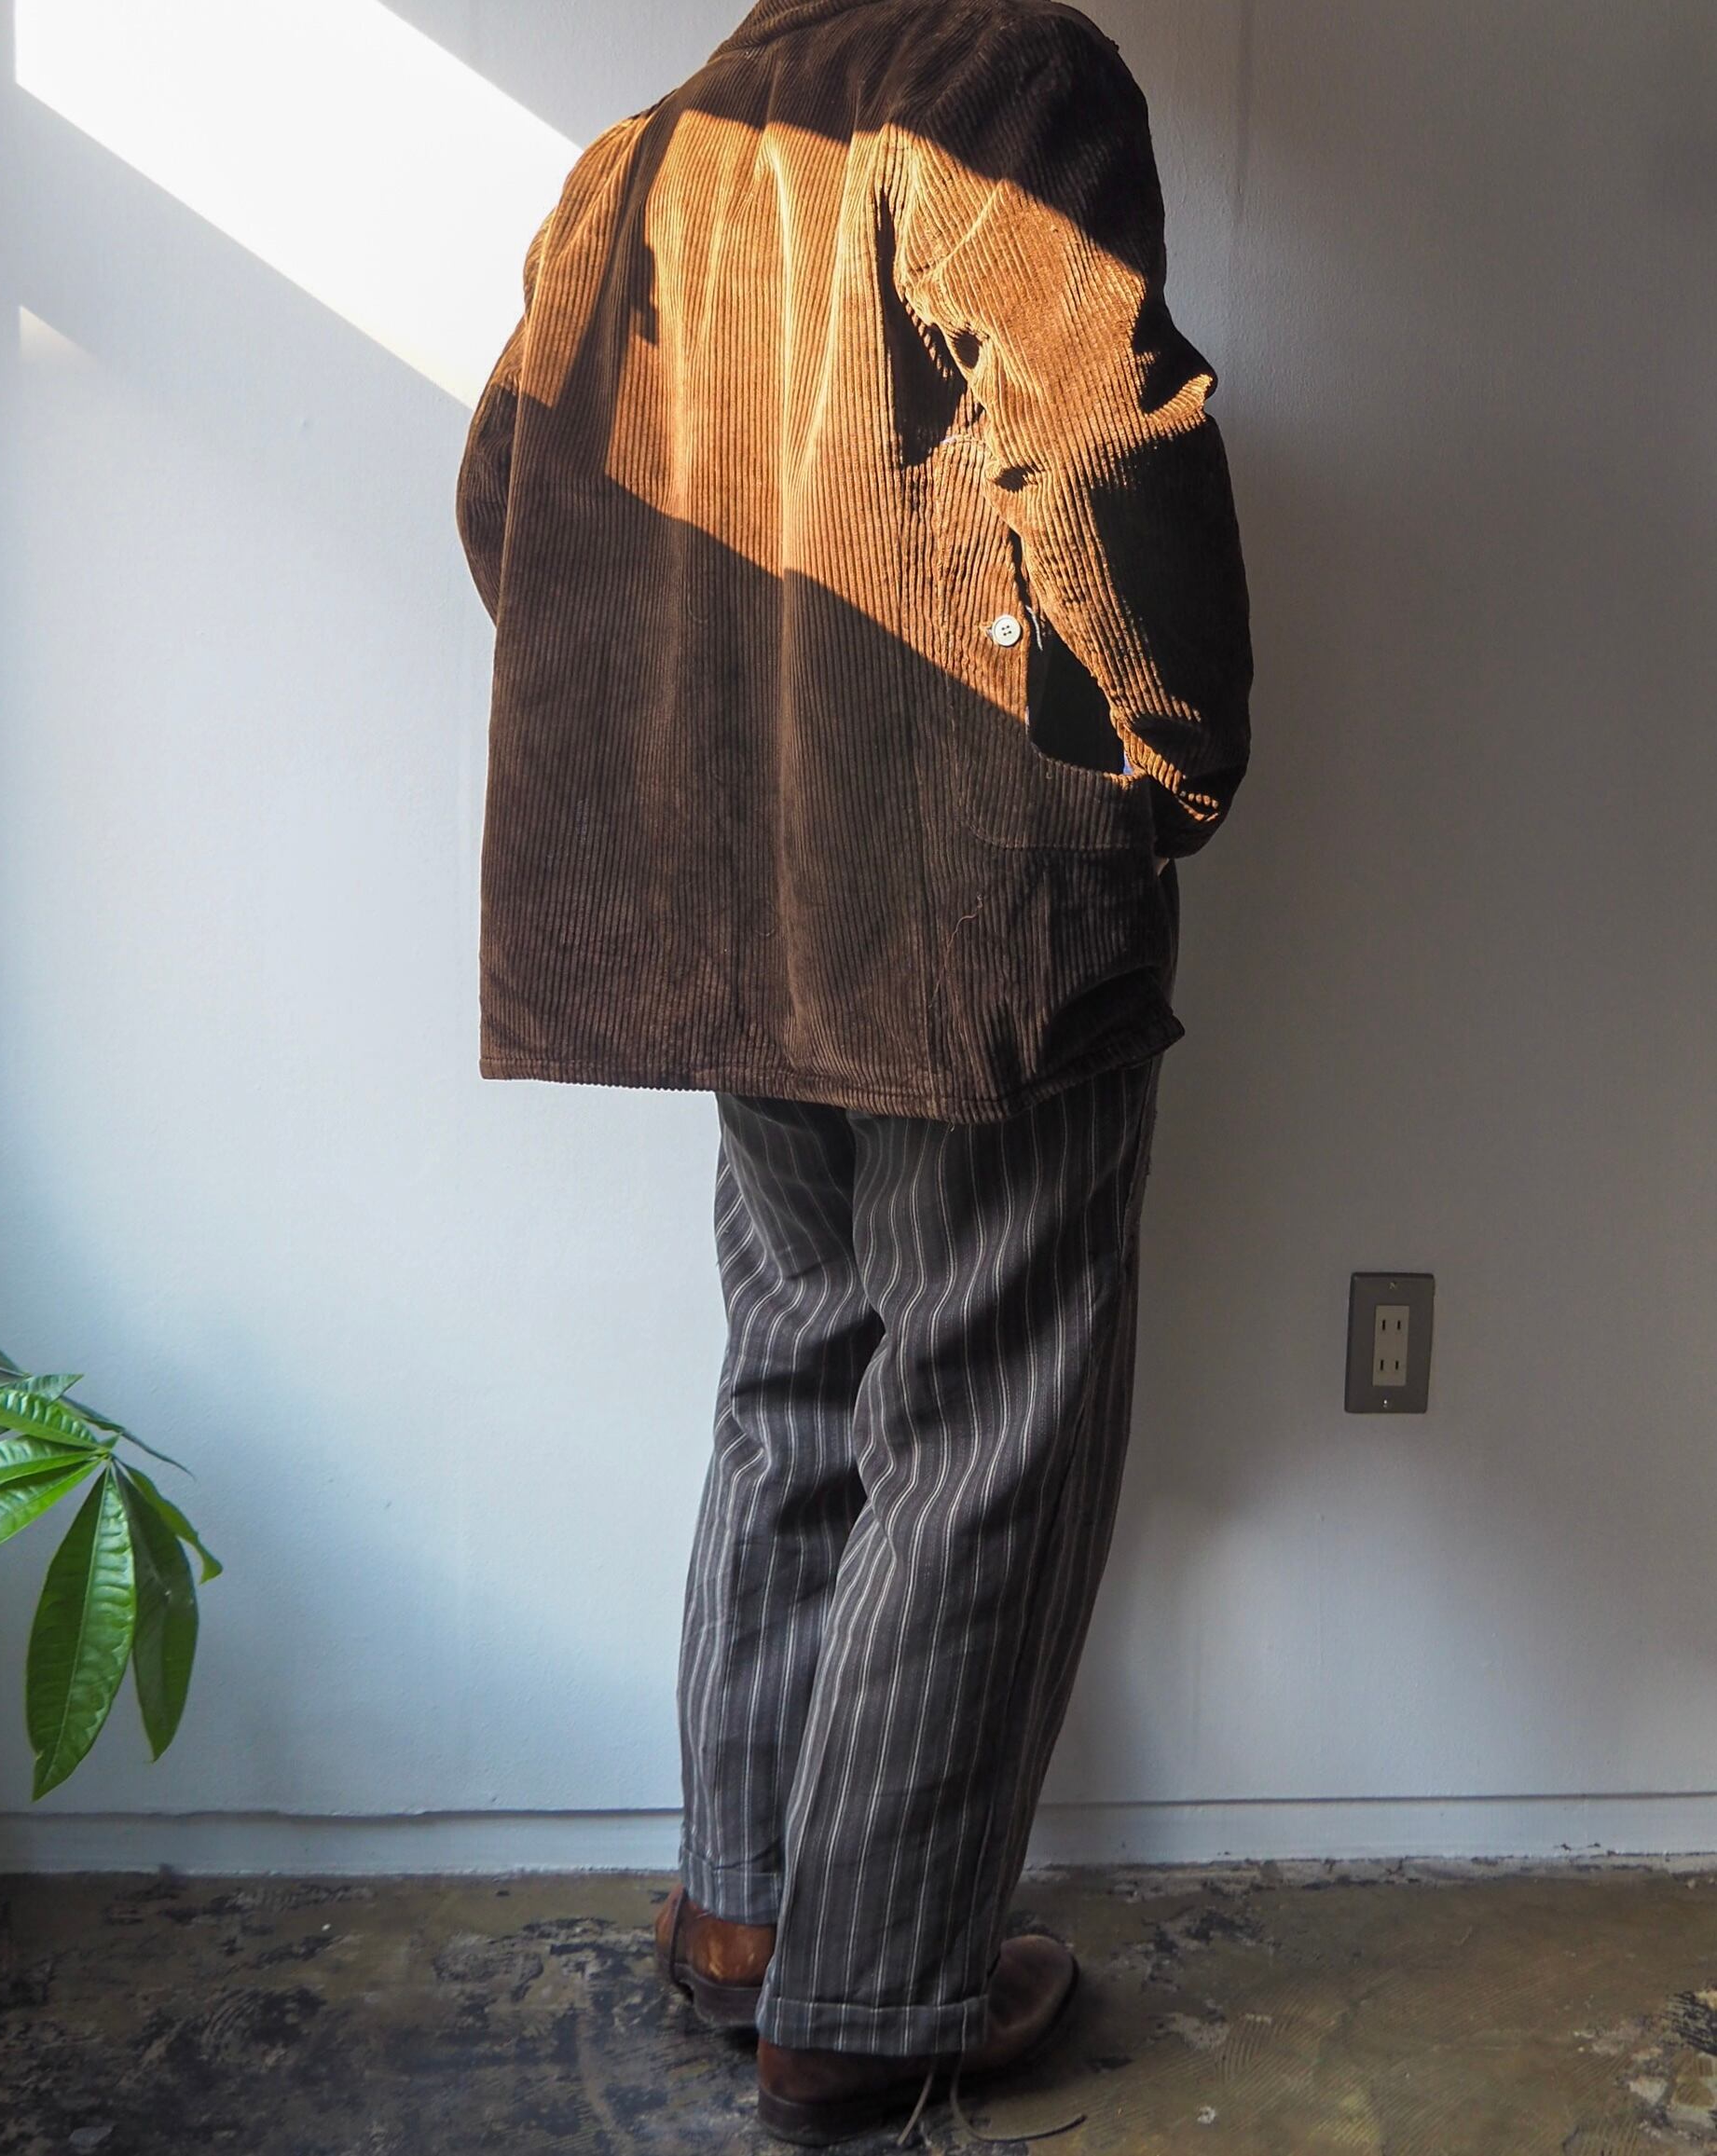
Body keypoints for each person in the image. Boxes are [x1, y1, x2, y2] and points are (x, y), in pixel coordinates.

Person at [457, 0, 1252, 2141]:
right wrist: (1172, 764)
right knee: (985, 1412)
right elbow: (1099, 439)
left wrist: (698, 736)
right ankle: (874, 1998)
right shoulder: (1011, 76)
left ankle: (741, 1913)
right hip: (970, 892)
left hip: (737, 887)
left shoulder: (641, 147)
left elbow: (505, 493)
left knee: (798, 1363)